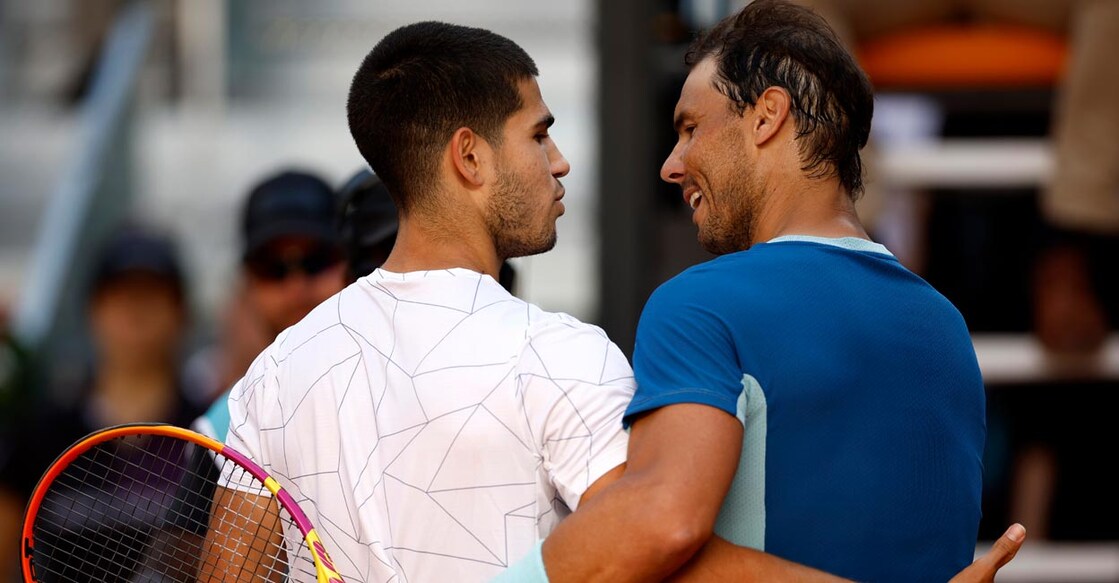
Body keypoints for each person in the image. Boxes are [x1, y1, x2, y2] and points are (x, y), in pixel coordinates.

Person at [202, 18, 1022, 583]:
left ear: (769, 119)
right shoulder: (566, 354)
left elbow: (657, 535)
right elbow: (661, 545)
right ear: (469, 158)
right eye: (538, 133)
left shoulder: (272, 374)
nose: (560, 161)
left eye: (689, 128)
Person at [0, 226, 203, 581]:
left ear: (181, 312)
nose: (136, 312)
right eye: (121, 295)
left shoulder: (209, 434)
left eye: (152, 295)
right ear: (93, 309)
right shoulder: (42, 432)